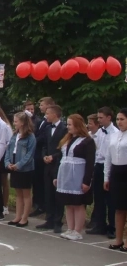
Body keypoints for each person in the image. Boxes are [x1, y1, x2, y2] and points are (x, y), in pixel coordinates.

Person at [55, 114, 96, 241]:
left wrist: (86, 181)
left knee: (78, 204)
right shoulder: (67, 140)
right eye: (67, 124)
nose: (68, 127)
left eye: (70, 124)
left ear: (78, 126)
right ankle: (70, 228)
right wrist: (58, 177)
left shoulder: (87, 141)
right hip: (66, 175)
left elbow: (90, 163)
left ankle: (78, 230)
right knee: (69, 203)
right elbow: (62, 160)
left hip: (78, 175)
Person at [86, 107, 118, 239]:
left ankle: (112, 227)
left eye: (101, 118)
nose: (99, 120)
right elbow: (97, 149)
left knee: (110, 199)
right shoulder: (100, 131)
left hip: (109, 165)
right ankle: (100, 224)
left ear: (109, 117)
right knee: (98, 197)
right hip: (98, 166)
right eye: (98, 118)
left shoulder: (115, 132)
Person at [36, 105, 67, 233]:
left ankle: (57, 221)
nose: (46, 116)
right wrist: (44, 156)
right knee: (48, 192)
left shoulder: (64, 129)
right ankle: (49, 219)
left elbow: (64, 147)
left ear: (55, 114)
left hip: (58, 163)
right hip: (47, 164)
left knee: (57, 193)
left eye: (48, 113)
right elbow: (44, 145)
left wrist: (53, 156)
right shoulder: (48, 128)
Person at [5, 112, 36, 227]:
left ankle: (24, 218)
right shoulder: (14, 135)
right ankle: (18, 216)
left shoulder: (30, 137)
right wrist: (7, 162)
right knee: (18, 193)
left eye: (16, 121)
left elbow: (29, 154)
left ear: (22, 123)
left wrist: (19, 165)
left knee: (26, 193)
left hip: (25, 168)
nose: (14, 123)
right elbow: (9, 149)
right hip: (13, 166)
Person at [104, 108, 127, 251]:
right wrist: (106, 177)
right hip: (116, 172)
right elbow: (108, 157)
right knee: (118, 208)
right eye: (117, 119)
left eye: (122, 119)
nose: (119, 122)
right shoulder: (113, 135)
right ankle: (118, 239)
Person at [30, 97, 55, 217]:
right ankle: (38, 203)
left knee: (42, 182)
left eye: (42, 105)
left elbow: (43, 137)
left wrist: (33, 140)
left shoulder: (49, 123)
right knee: (37, 182)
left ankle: (43, 205)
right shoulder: (42, 121)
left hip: (42, 155)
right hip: (38, 154)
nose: (40, 107)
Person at [86, 114, 102, 229]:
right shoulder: (88, 135)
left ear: (97, 124)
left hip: (98, 166)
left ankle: (96, 219)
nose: (88, 125)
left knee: (98, 196)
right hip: (89, 166)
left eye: (90, 123)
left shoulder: (101, 136)